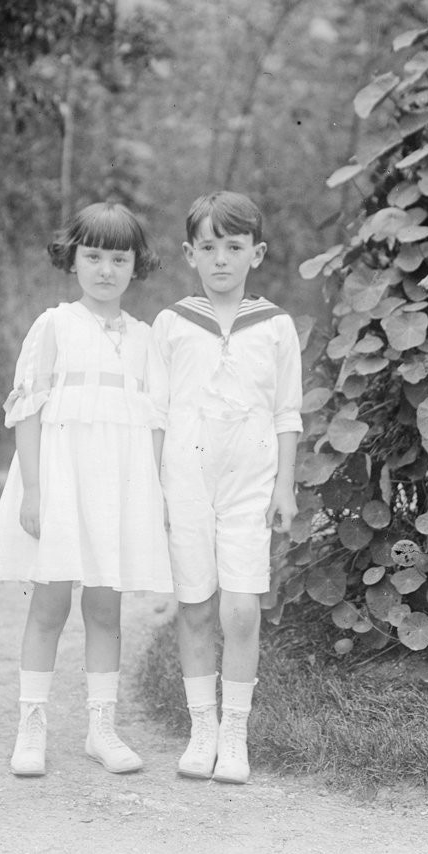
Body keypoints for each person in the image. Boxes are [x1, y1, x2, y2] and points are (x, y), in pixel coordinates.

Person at [0, 201, 173, 777]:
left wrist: (152, 498)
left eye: (119, 259)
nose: (106, 270)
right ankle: (31, 726)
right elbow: (28, 413)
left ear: (136, 264)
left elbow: (154, 426)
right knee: (50, 603)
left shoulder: (144, 339)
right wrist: (34, 491)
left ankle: (101, 728)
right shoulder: (55, 325)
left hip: (117, 488)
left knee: (106, 607)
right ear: (73, 258)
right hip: (62, 481)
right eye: (94, 256)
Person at [149, 191, 302, 784]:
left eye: (234, 247)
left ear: (256, 254)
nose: (221, 259)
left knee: (240, 610)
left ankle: (235, 734)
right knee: (195, 606)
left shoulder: (275, 326)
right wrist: (156, 488)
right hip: (186, 479)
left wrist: (284, 486)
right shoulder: (172, 323)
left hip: (250, 482)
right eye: (208, 247)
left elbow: (286, 413)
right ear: (190, 254)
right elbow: (158, 413)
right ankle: (202, 729)